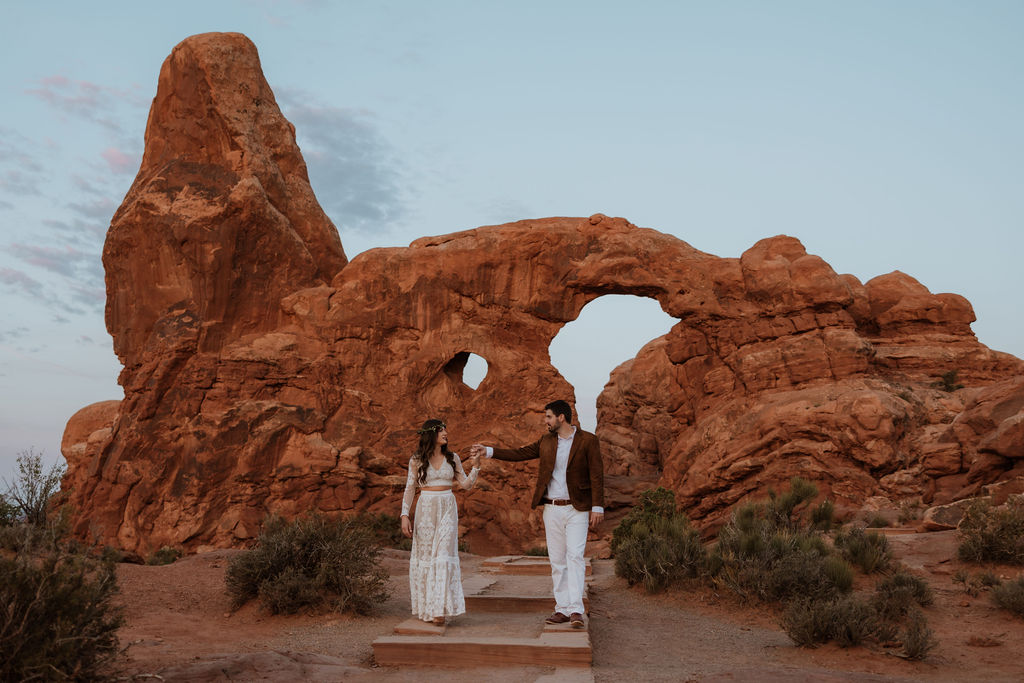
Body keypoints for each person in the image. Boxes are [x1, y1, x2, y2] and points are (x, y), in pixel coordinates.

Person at [470, 400, 603, 629]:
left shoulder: (588, 440)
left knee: (575, 557)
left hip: (577, 509)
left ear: (561, 417)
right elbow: (518, 454)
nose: (546, 421)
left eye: (549, 417)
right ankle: (561, 609)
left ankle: (576, 611)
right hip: (551, 508)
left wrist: (597, 506)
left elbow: (597, 474)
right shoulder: (546, 441)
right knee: (558, 561)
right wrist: (488, 451)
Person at [401, 418, 481, 625]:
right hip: (425, 510)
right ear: (431, 434)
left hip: (447, 507)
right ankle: (429, 607)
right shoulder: (417, 459)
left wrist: (476, 467)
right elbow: (410, 488)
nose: (446, 432)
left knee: (443, 556)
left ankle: (439, 610)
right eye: (441, 430)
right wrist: (404, 515)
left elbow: (465, 485)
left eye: (446, 429)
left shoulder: (453, 458)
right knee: (427, 558)